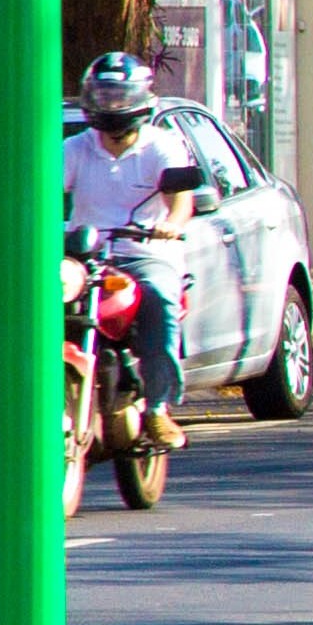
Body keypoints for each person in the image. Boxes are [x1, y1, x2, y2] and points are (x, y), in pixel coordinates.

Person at [63, 53, 199, 448]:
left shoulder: (164, 147)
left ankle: (158, 410)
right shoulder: (74, 148)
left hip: (146, 254)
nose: (112, 105)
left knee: (159, 297)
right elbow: (41, 193)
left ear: (140, 100)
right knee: (43, 299)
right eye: (104, 96)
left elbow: (181, 201)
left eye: (120, 97)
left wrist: (170, 225)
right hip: (86, 257)